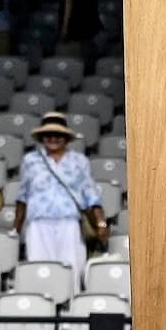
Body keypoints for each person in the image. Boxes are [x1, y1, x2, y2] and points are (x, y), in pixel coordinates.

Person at [13, 112, 105, 282]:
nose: (53, 138)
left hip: (68, 222)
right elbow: (22, 195)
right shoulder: (30, 160)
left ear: (66, 138)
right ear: (41, 137)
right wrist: (16, 228)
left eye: (58, 135)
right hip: (38, 222)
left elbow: (90, 194)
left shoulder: (79, 160)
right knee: (39, 270)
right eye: (48, 135)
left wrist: (100, 222)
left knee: (70, 269)